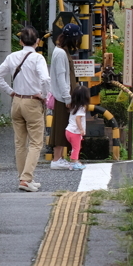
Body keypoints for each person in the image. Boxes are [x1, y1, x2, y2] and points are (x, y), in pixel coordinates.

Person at [0, 26, 51, 192]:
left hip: (16, 102)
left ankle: (24, 178)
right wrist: (44, 95)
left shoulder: (12, 57)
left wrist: (10, 92)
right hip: (32, 102)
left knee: (20, 143)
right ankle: (26, 179)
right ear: (38, 42)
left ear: (20, 41)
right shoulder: (38, 59)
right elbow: (46, 79)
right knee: (36, 143)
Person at [48, 23, 82, 169]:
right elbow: (62, 77)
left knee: (62, 126)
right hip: (63, 97)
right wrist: (67, 97)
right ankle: (56, 159)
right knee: (61, 127)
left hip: (63, 96)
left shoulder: (60, 50)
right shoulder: (61, 53)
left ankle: (59, 157)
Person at [65, 86, 91, 171]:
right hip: (74, 132)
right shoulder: (81, 108)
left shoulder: (73, 106)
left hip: (69, 131)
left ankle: (75, 161)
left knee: (75, 147)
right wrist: (81, 129)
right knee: (76, 147)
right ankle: (74, 163)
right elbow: (78, 119)